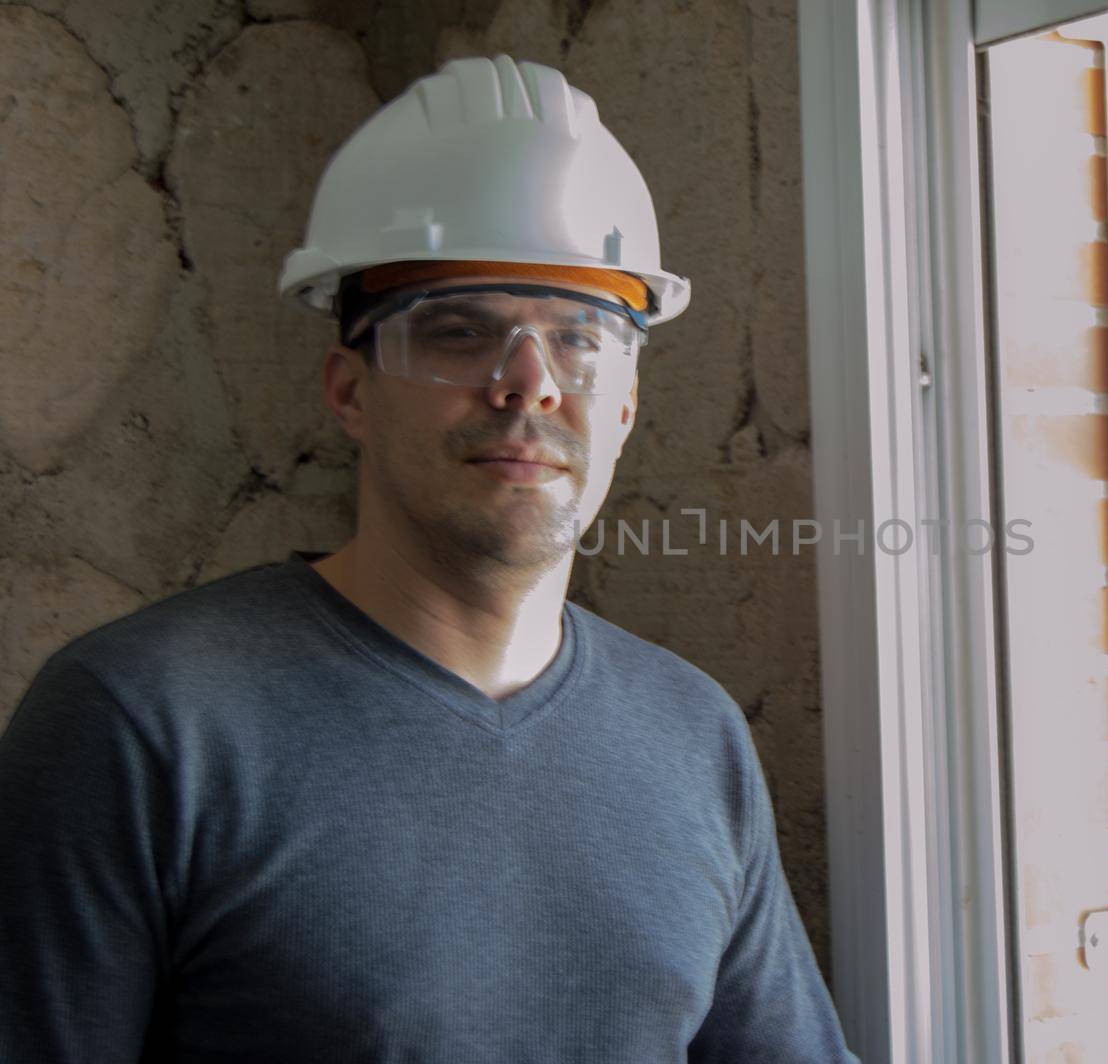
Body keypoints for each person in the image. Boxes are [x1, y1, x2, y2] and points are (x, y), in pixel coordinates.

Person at [0, 54, 857, 1063]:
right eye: (457, 332)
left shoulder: (692, 733)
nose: (528, 384)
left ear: (624, 403)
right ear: (349, 389)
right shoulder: (144, 718)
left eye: (581, 339)